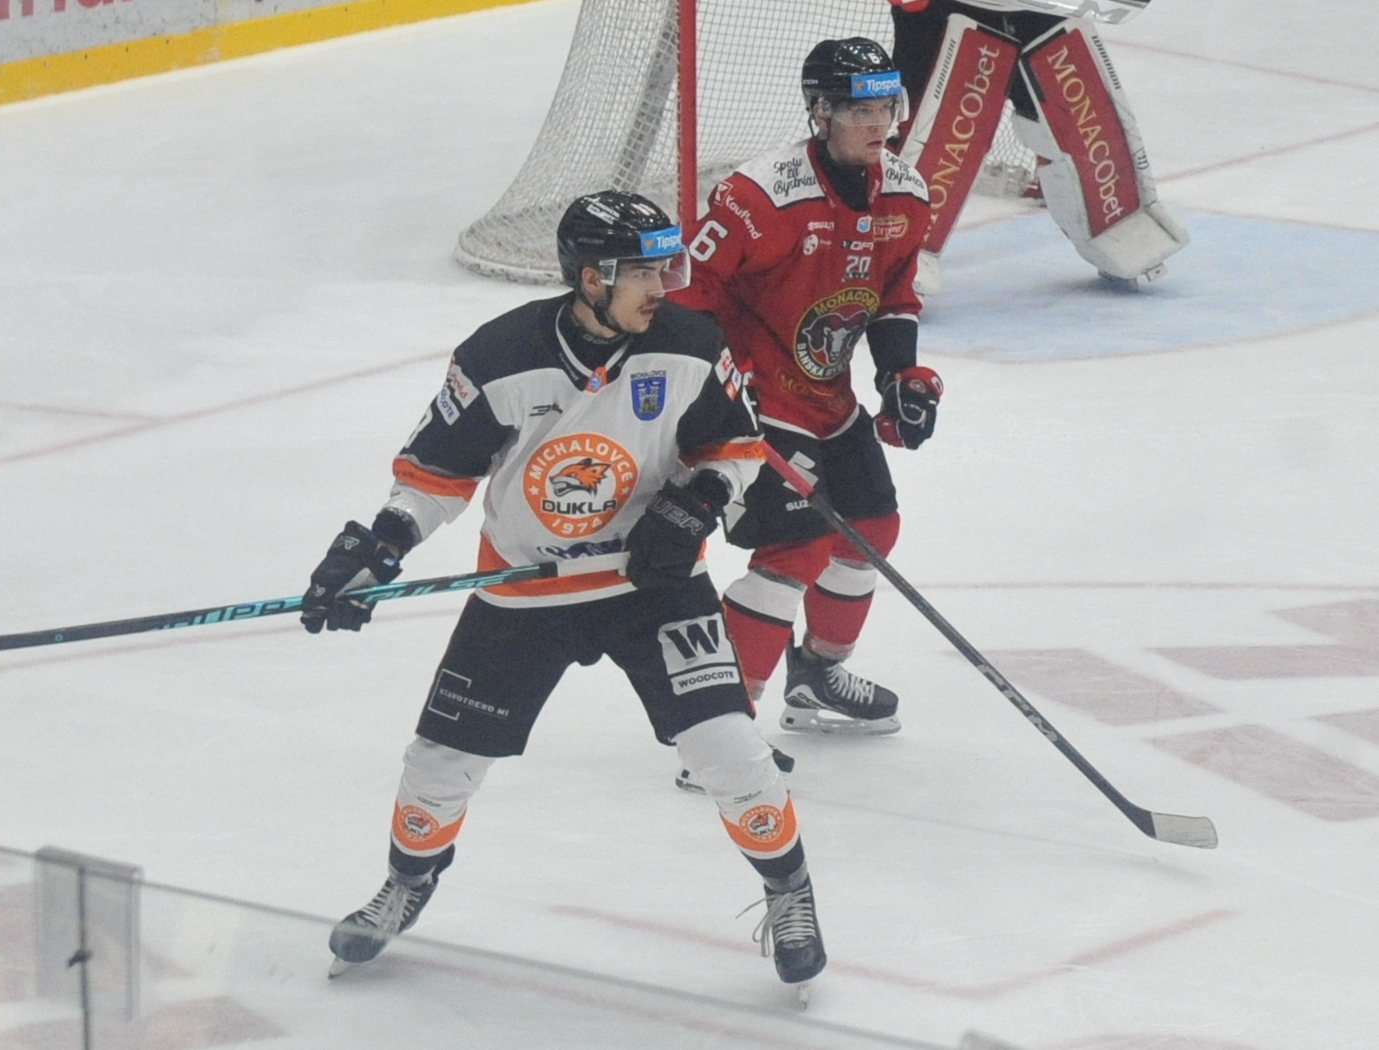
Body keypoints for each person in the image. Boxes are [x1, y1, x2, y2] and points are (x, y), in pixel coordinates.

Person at [301, 191, 828, 988]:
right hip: (526, 595)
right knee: (441, 760)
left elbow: (734, 446)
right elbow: (436, 475)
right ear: (590, 278)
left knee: (726, 747)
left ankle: (789, 891)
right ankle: (406, 884)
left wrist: (699, 500)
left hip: (654, 587)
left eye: (664, 267)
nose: (661, 286)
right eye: (642, 272)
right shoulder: (499, 355)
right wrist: (380, 546)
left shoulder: (689, 343)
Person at [669, 38, 939, 747]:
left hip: (826, 400)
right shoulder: (757, 197)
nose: (878, 123)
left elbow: (894, 296)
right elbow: (686, 296)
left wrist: (900, 376)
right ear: (820, 112)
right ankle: (718, 734)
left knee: (872, 529)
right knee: (797, 550)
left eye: (886, 107)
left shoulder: (906, 193)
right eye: (858, 110)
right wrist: (717, 401)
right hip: (750, 399)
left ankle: (817, 674)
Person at [887, 0, 1189, 295]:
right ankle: (890, 249)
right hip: (945, 12)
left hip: (1041, 10)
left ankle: (1117, 225)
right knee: (934, 129)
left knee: (1072, 120)